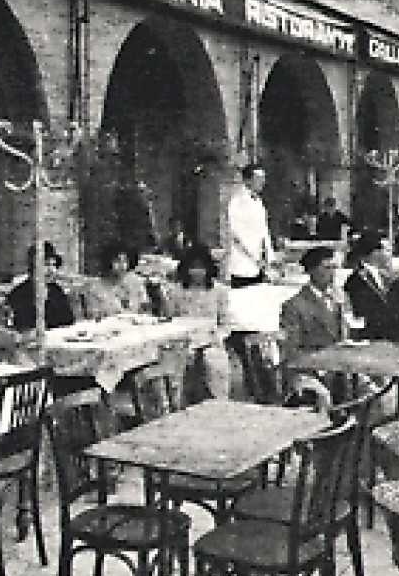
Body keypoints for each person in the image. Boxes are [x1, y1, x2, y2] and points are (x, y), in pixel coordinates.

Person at [278, 246, 349, 407]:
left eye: (334, 268)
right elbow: (292, 350)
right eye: (327, 268)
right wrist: (322, 366)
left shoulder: (339, 298)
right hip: (309, 371)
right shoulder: (294, 305)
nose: (332, 274)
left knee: (376, 391)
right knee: (323, 397)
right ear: (312, 271)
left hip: (342, 367)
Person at [161, 243, 233, 399]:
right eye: (193, 267)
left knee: (214, 362)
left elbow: (225, 323)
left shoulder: (219, 291)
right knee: (179, 362)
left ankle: (219, 402)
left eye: (201, 267)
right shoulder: (176, 291)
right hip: (183, 341)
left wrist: (216, 337)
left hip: (211, 340)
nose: (197, 272)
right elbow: (170, 320)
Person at [343, 230, 399, 340]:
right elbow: (363, 313)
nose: (390, 255)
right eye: (387, 250)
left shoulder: (384, 276)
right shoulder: (357, 280)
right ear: (374, 252)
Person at [6, 242, 77, 332]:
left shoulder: (56, 291)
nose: (51, 270)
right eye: (46, 265)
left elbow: (69, 321)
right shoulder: (18, 294)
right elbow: (22, 327)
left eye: (54, 265)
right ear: (33, 267)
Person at [226, 162, 276, 288]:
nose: (262, 182)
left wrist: (269, 257)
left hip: (260, 265)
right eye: (258, 178)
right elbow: (236, 236)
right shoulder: (237, 202)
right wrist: (255, 259)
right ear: (247, 181)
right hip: (243, 264)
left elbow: (264, 231)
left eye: (263, 178)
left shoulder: (258, 201)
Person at [83, 242, 152, 319]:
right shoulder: (95, 288)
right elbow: (93, 318)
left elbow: (146, 311)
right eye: (118, 261)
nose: (123, 266)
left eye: (125, 261)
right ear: (107, 262)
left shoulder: (136, 282)